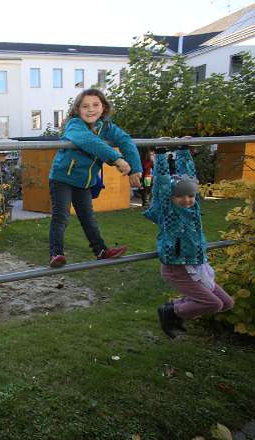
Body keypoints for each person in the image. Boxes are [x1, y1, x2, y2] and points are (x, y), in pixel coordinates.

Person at [144, 147, 234, 339]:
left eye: (190, 196)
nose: (186, 200)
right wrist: (160, 156)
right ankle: (171, 312)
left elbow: (190, 176)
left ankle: (176, 311)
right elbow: (160, 182)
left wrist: (184, 152)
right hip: (176, 268)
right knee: (214, 304)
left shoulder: (194, 208)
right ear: (171, 197)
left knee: (226, 303)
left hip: (197, 265)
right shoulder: (169, 210)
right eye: (180, 196)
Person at [47, 88, 142, 268]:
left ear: (103, 108)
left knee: (88, 217)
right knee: (61, 216)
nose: (91, 109)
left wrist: (135, 169)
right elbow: (88, 141)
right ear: (77, 109)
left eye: (95, 105)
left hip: (84, 182)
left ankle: (101, 251)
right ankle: (56, 253)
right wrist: (117, 159)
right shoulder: (74, 125)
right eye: (85, 106)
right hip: (62, 178)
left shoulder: (106, 127)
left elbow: (125, 140)